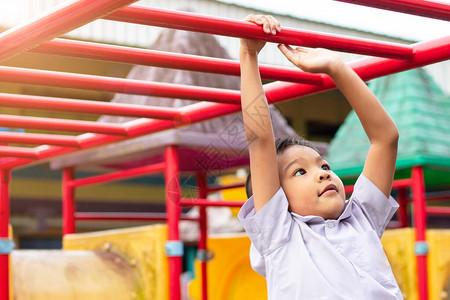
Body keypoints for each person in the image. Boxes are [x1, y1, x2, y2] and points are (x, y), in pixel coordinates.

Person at [237, 15, 402, 299]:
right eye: (299, 172)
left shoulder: (361, 218)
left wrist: (337, 68)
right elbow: (260, 141)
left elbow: (385, 139)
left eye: (324, 165)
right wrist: (248, 55)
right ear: (276, 199)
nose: (323, 173)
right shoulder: (280, 233)